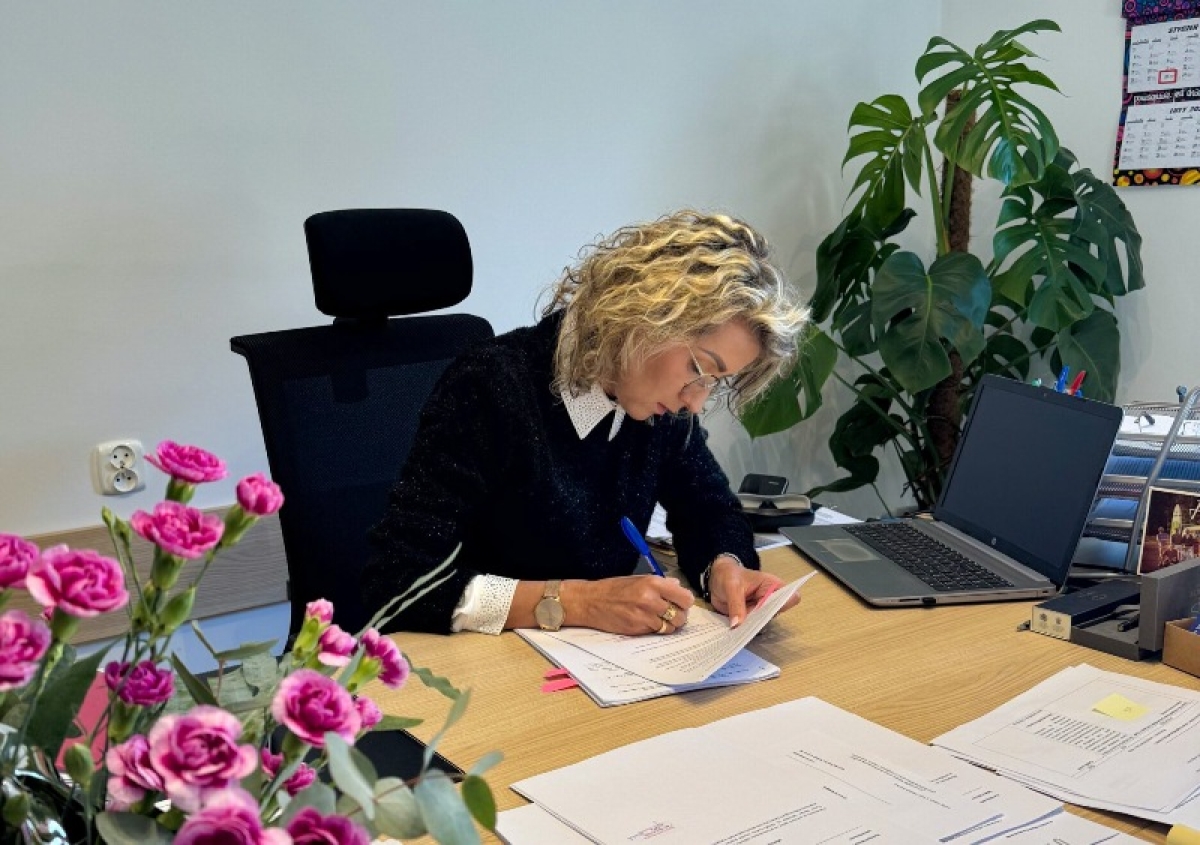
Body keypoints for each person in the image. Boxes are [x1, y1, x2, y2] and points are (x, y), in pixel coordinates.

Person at [361, 210, 808, 636]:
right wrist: (575, 602)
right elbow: (399, 583)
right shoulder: (493, 386)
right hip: (479, 663)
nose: (695, 402)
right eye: (698, 368)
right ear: (646, 318)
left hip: (597, 665)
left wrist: (725, 566)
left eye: (715, 382)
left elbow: (708, 509)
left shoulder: (657, 407)